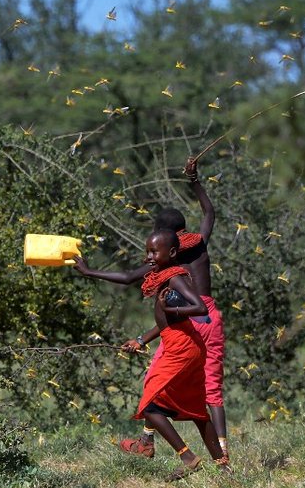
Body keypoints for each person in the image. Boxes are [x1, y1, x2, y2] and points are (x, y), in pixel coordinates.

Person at [73, 156, 230, 462]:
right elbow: (209, 212)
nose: (150, 253)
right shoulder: (199, 243)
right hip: (211, 318)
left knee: (156, 380)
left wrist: (90, 271)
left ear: (165, 240)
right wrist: (194, 180)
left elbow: (129, 277)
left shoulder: (166, 262)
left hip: (187, 321)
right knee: (209, 387)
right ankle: (221, 453)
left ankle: (152, 442)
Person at [124, 229, 226, 480]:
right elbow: (165, 323)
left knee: (150, 406)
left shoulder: (175, 278)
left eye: (154, 252)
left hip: (181, 348)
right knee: (198, 411)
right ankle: (224, 467)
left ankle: (188, 457)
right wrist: (140, 340)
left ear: (171, 252)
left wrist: (173, 309)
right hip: (186, 345)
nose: (149, 257)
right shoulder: (163, 277)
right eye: (147, 251)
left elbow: (200, 307)